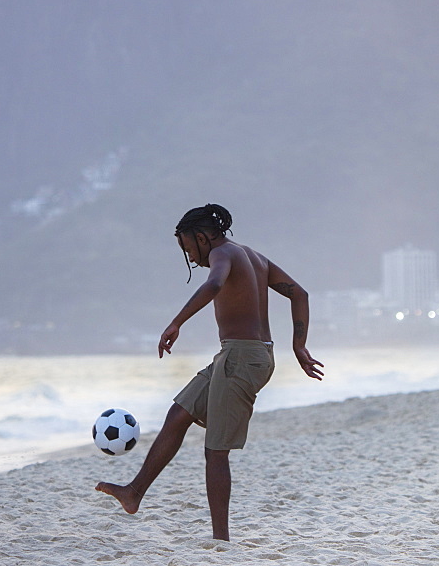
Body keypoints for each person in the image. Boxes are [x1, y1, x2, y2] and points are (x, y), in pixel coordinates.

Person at [95, 203, 324, 542]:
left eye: (188, 248)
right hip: (238, 355)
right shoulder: (254, 257)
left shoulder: (222, 255)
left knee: (215, 450)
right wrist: (298, 346)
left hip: (242, 359)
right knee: (178, 414)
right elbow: (299, 294)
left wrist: (176, 322)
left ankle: (221, 540)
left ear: (202, 237)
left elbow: (215, 284)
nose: (190, 258)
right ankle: (134, 493)